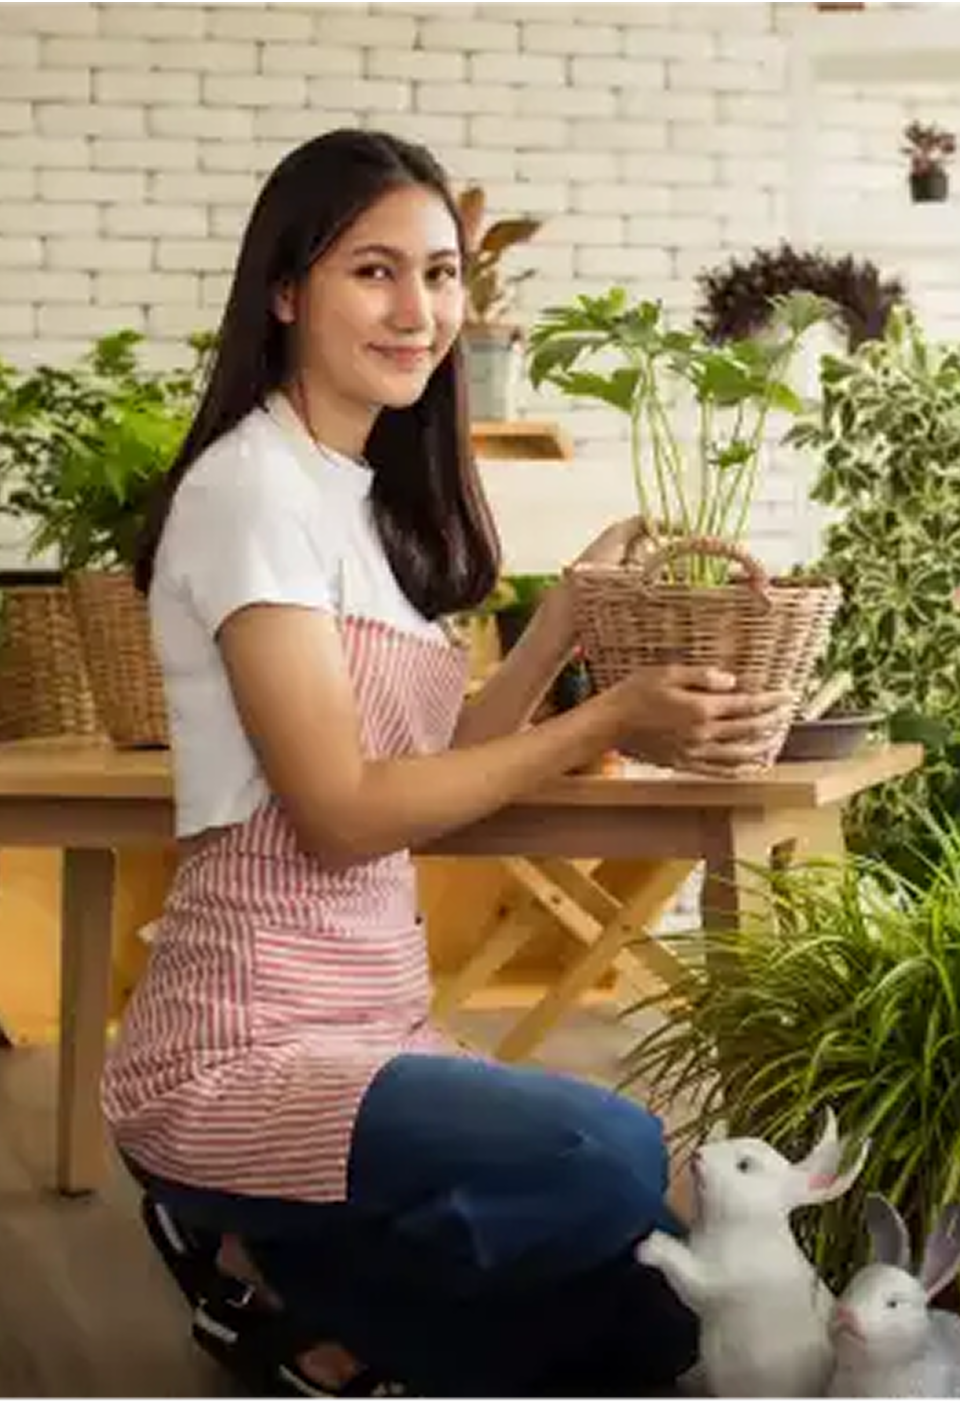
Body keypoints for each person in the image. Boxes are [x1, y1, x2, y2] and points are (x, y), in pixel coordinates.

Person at [100, 128, 791, 1401]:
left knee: (669, 1316)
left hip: (377, 1022)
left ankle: (311, 1297)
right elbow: (349, 812)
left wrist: (564, 624)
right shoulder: (249, 492)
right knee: (607, 1153)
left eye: (439, 273)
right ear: (285, 290)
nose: (418, 311)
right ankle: (251, 1259)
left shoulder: (361, 498)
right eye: (375, 272)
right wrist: (603, 722)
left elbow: (446, 760)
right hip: (242, 1048)